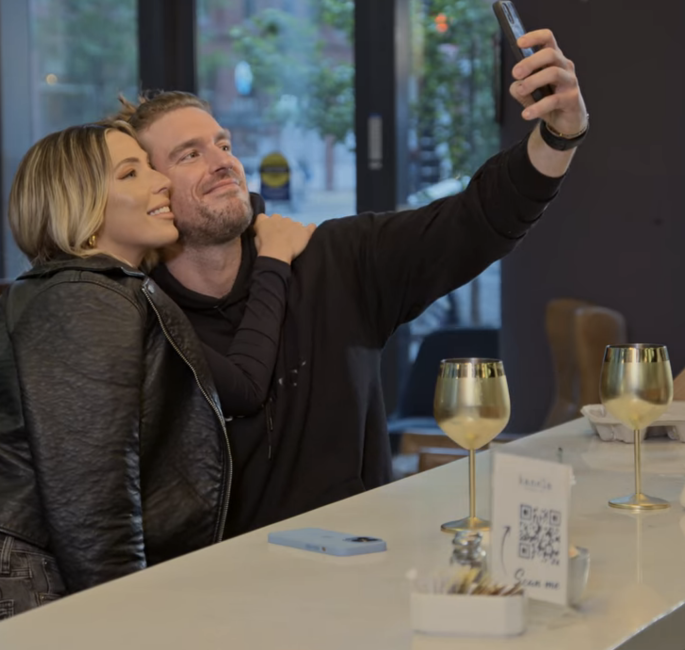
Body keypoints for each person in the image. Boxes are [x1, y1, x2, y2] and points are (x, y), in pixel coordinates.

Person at [0, 121, 313, 650]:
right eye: (132, 173)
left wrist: (270, 263)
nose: (161, 183)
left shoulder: (98, 293)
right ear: (82, 206)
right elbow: (91, 495)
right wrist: (131, 624)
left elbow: (242, 390)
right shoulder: (86, 296)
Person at [112, 29, 588, 537]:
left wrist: (559, 135)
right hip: (215, 597)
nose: (222, 161)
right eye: (190, 154)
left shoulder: (334, 259)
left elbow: (474, 220)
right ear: (153, 190)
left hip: (357, 576)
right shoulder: (137, 316)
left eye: (223, 144)